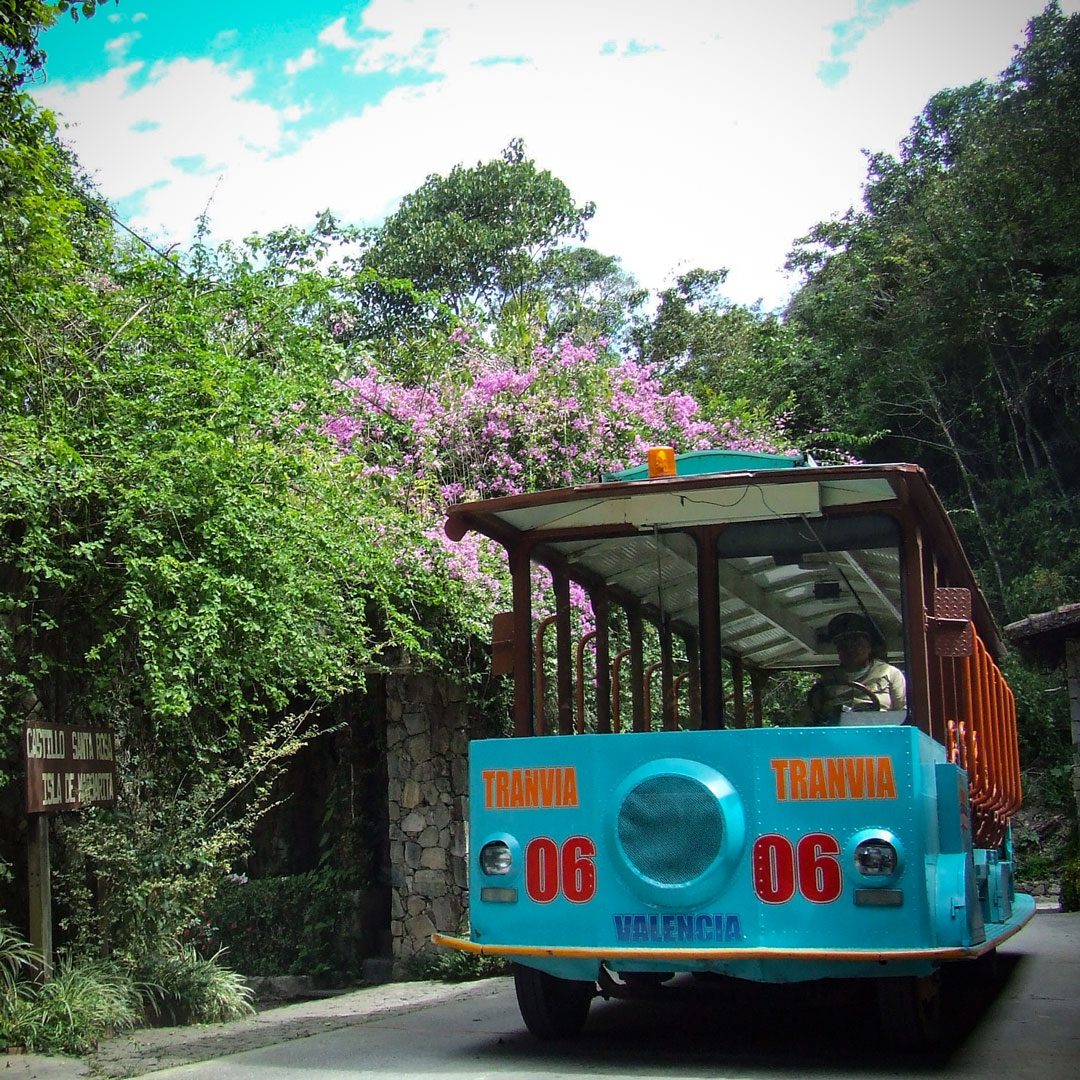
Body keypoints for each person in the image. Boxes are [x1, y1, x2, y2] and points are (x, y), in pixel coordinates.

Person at [806, 612, 906, 722]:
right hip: (835, 733)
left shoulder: (890, 673)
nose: (850, 650)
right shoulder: (828, 679)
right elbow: (811, 714)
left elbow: (901, 712)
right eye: (843, 646)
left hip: (878, 732)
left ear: (869, 647)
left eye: (857, 644)